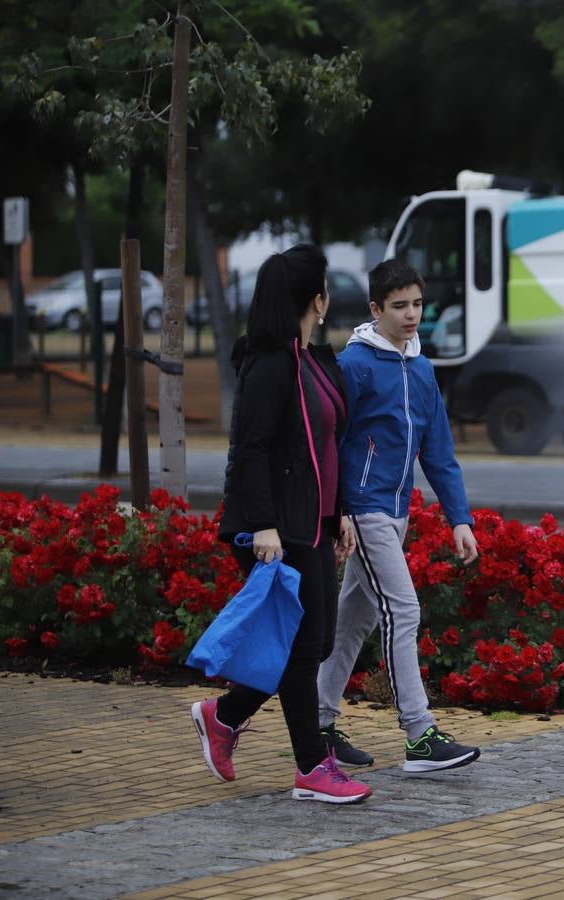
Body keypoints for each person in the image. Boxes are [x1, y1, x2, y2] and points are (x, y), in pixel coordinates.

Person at [190, 244, 372, 804]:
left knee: (311, 644)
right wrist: (263, 524)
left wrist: (339, 510)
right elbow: (251, 450)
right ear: (315, 299)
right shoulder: (267, 364)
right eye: (324, 290)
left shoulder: (316, 360)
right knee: (301, 644)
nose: (328, 299)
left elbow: (328, 444)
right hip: (273, 526)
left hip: (312, 521)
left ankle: (224, 716)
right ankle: (312, 768)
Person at [314, 257, 481, 773]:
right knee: (403, 611)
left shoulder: (423, 368)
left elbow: (439, 451)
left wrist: (459, 519)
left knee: (352, 622)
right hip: (363, 511)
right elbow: (332, 441)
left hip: (396, 511)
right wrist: (338, 509)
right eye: (399, 306)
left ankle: (317, 726)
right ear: (375, 309)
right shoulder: (356, 365)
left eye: (417, 304)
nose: (411, 315)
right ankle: (419, 734)